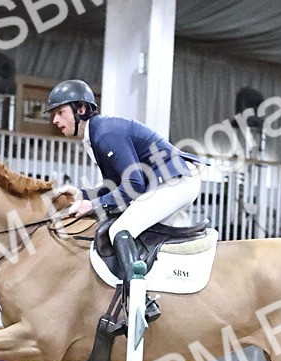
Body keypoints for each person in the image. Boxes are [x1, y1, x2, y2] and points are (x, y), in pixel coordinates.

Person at [44, 79, 203, 325]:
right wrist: (82, 195)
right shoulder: (95, 135)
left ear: (81, 110)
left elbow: (134, 185)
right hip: (163, 181)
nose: (55, 120)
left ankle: (142, 302)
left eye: (60, 112)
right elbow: (116, 187)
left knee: (122, 228)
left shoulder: (105, 133)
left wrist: (94, 206)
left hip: (176, 180)